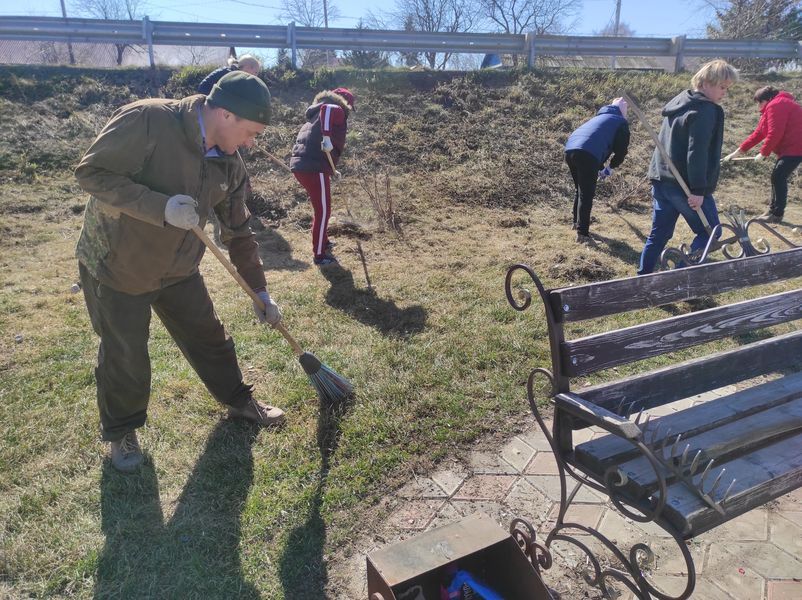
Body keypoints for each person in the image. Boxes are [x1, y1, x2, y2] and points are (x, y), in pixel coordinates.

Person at [75, 71, 284, 473]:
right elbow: (92, 174)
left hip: (179, 267)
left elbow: (239, 232)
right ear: (225, 113)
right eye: (250, 132)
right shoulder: (149, 120)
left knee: (209, 336)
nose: (250, 143)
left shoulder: (230, 166)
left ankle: (239, 400)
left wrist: (261, 291)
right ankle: (122, 430)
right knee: (126, 354)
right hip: (118, 265)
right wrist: (161, 206)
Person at [637, 59, 739, 275]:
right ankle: (680, 278)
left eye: (727, 88)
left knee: (660, 233)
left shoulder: (680, 102)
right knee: (711, 232)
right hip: (684, 185)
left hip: (662, 179)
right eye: (722, 87)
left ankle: (643, 278)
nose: (724, 93)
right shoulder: (705, 110)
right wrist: (698, 191)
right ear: (705, 83)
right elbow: (697, 151)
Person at [290, 88, 355, 266]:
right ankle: (319, 255)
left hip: (305, 166)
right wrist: (326, 137)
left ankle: (323, 242)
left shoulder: (314, 114)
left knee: (322, 208)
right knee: (323, 211)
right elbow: (328, 109)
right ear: (346, 103)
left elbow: (312, 142)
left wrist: (332, 170)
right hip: (313, 167)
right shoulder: (335, 109)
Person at [722, 86, 802, 223]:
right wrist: (736, 152)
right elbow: (758, 134)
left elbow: (775, 133)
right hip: (790, 149)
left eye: (760, 102)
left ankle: (777, 214)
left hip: (795, 148)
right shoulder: (774, 107)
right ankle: (773, 211)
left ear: (768, 99)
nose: (758, 106)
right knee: (777, 177)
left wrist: (764, 153)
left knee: (778, 177)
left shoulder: (776, 105)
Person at [564, 97, 630, 244]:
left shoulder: (601, 117)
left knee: (580, 190)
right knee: (586, 195)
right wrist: (610, 167)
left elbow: (596, 141)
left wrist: (600, 167)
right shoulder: (620, 122)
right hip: (587, 154)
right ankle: (583, 235)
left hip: (570, 150)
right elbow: (621, 150)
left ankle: (576, 223)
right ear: (623, 112)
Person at [197, 54, 261, 95]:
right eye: (256, 72)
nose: (256, 76)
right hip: (206, 92)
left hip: (208, 92)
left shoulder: (233, 71)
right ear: (248, 67)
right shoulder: (231, 73)